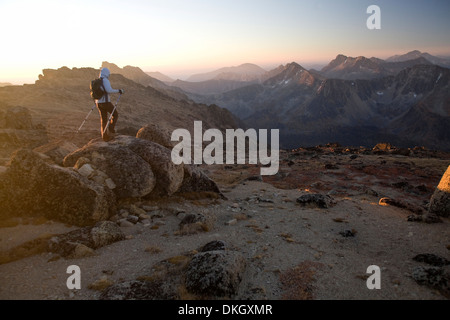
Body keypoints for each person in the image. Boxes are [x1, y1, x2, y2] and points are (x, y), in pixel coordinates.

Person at [96, 67, 124, 141]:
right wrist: (119, 91)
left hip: (98, 103)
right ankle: (111, 130)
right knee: (115, 114)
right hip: (105, 102)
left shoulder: (98, 81)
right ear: (106, 73)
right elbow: (109, 90)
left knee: (103, 119)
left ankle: (104, 136)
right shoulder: (105, 80)